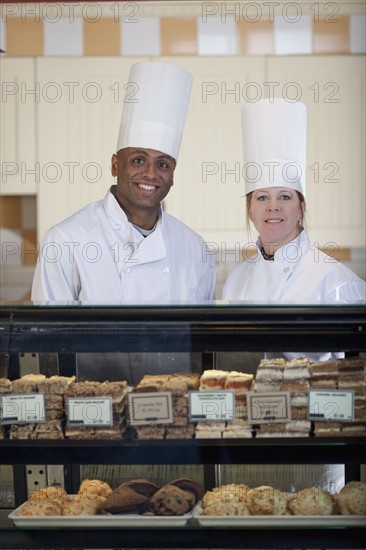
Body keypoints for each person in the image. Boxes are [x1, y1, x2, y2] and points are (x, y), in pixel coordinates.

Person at [32, 62, 215, 303]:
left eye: (163, 164)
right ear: (115, 165)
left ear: (172, 173)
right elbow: (49, 334)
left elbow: (202, 334)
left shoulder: (194, 247)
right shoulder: (67, 240)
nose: (151, 174)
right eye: (138, 160)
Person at [223, 98, 365, 314]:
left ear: (301, 208)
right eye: (262, 197)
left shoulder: (336, 281)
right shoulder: (236, 281)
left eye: (285, 197)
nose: (273, 206)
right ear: (250, 211)